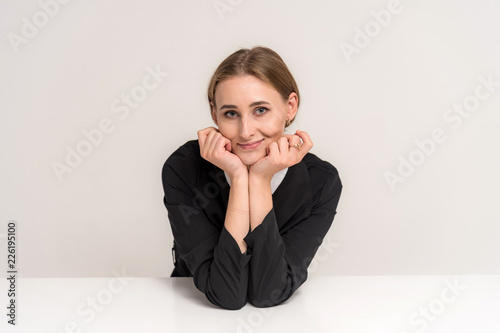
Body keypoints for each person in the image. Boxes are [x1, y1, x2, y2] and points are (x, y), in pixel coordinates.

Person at [161, 46, 342, 310]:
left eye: (260, 110)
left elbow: (268, 293)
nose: (245, 132)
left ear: (290, 107)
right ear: (214, 114)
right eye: (231, 113)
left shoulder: (322, 182)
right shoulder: (184, 168)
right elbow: (225, 295)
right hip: (194, 319)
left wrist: (258, 180)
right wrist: (237, 176)